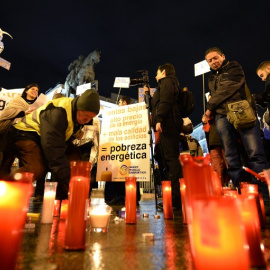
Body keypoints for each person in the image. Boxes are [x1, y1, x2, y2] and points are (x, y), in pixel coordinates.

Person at [6, 89, 100, 200]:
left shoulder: (75, 113)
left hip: (42, 137)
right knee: (35, 168)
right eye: (86, 115)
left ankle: (63, 200)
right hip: (25, 133)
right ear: (78, 107)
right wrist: (71, 183)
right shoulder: (58, 113)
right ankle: (6, 191)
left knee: (73, 155)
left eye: (91, 118)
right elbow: (53, 150)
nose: (87, 120)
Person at [204, 47, 269, 200]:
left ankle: (264, 195)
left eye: (215, 58)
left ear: (223, 56)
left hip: (242, 113)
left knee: (255, 154)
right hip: (221, 117)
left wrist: (209, 108)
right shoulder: (211, 78)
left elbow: (225, 89)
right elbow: (217, 95)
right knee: (231, 158)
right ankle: (242, 193)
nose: (213, 62)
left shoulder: (234, 67)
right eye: (210, 60)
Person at [145, 63, 183, 210]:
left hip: (168, 125)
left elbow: (165, 102)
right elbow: (156, 104)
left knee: (171, 160)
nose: (155, 76)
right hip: (166, 125)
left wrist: (159, 119)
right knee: (166, 159)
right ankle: (172, 199)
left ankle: (175, 200)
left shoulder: (167, 82)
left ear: (164, 72)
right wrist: (149, 95)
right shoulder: (165, 85)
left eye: (157, 72)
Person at [104, 95, 141, 205]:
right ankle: (126, 194)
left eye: (119, 102)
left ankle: (118, 195)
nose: (118, 104)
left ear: (124, 103)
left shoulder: (131, 115)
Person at [0, 83, 39, 174]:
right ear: (26, 91)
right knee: (8, 159)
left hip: (27, 135)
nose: (35, 91)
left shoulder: (38, 105)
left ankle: (21, 184)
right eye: (32, 89)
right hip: (11, 133)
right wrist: (23, 113)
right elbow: (7, 113)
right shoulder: (18, 100)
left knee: (24, 162)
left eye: (37, 90)